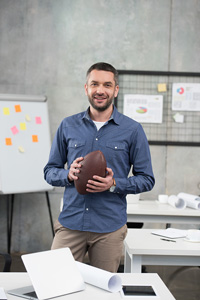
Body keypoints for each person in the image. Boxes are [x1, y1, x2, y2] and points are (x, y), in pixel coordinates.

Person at [44, 62, 155, 272]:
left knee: (103, 292)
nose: (100, 90)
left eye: (107, 84)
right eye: (94, 84)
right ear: (86, 88)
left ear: (115, 89)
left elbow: (147, 179)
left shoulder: (133, 130)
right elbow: (50, 171)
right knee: (56, 283)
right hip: (71, 223)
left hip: (109, 228)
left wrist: (114, 183)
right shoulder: (68, 125)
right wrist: (67, 175)